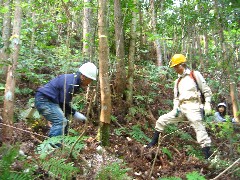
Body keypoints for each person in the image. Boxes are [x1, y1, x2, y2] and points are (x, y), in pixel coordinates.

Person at [146, 54, 212, 159]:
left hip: (194, 106)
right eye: (174, 67)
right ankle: (152, 143)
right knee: (161, 120)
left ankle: (207, 157)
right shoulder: (177, 81)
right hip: (181, 108)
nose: (175, 69)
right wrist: (175, 107)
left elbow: (206, 90)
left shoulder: (194, 75)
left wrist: (207, 103)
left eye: (177, 66)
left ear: (183, 64)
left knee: (199, 128)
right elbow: (176, 98)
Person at [34, 62, 98, 138]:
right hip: (45, 100)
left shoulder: (74, 80)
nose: (89, 83)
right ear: (83, 76)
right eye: (90, 80)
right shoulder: (71, 83)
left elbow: (63, 104)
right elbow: (63, 103)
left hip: (51, 101)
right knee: (60, 121)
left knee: (65, 120)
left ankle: (62, 143)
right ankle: (52, 147)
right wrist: (74, 113)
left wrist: (72, 113)